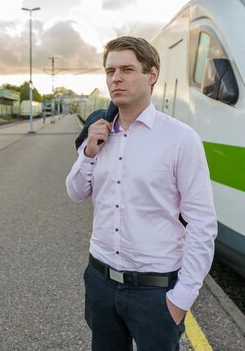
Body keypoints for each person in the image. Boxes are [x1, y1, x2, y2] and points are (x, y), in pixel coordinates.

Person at [65, 36, 217, 351]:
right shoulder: (98, 134)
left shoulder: (180, 139)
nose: (116, 78)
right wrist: (89, 153)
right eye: (110, 71)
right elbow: (75, 193)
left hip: (156, 293)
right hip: (100, 282)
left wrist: (181, 299)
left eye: (127, 69)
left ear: (152, 74)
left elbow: (202, 223)